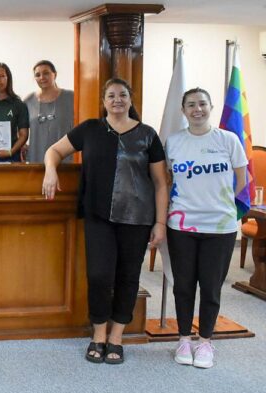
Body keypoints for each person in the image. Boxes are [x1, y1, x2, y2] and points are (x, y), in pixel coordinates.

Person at [42, 78, 168, 364]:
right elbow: (54, 151)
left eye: (122, 95)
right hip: (98, 215)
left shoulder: (148, 135)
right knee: (99, 276)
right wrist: (51, 170)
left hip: (137, 218)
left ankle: (116, 337)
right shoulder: (90, 129)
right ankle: (98, 334)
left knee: (128, 276)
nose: (117, 100)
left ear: (131, 99)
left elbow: (161, 183)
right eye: (111, 95)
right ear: (104, 101)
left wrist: (160, 223)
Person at [166, 88, 247, 369]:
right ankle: (184, 339)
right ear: (183, 110)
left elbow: (241, 180)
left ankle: (205, 342)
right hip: (182, 226)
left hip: (219, 227)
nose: (197, 109)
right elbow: (167, 180)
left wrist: (221, 203)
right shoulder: (174, 142)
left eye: (202, 103)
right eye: (191, 104)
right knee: (184, 286)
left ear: (211, 107)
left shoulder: (228, 139)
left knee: (211, 288)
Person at [24, 60, 75, 163]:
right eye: (38, 75)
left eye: (46, 73)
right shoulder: (28, 101)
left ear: (54, 74)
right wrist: (22, 145)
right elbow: (20, 129)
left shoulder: (71, 97)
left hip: (65, 159)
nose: (42, 77)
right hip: (36, 159)